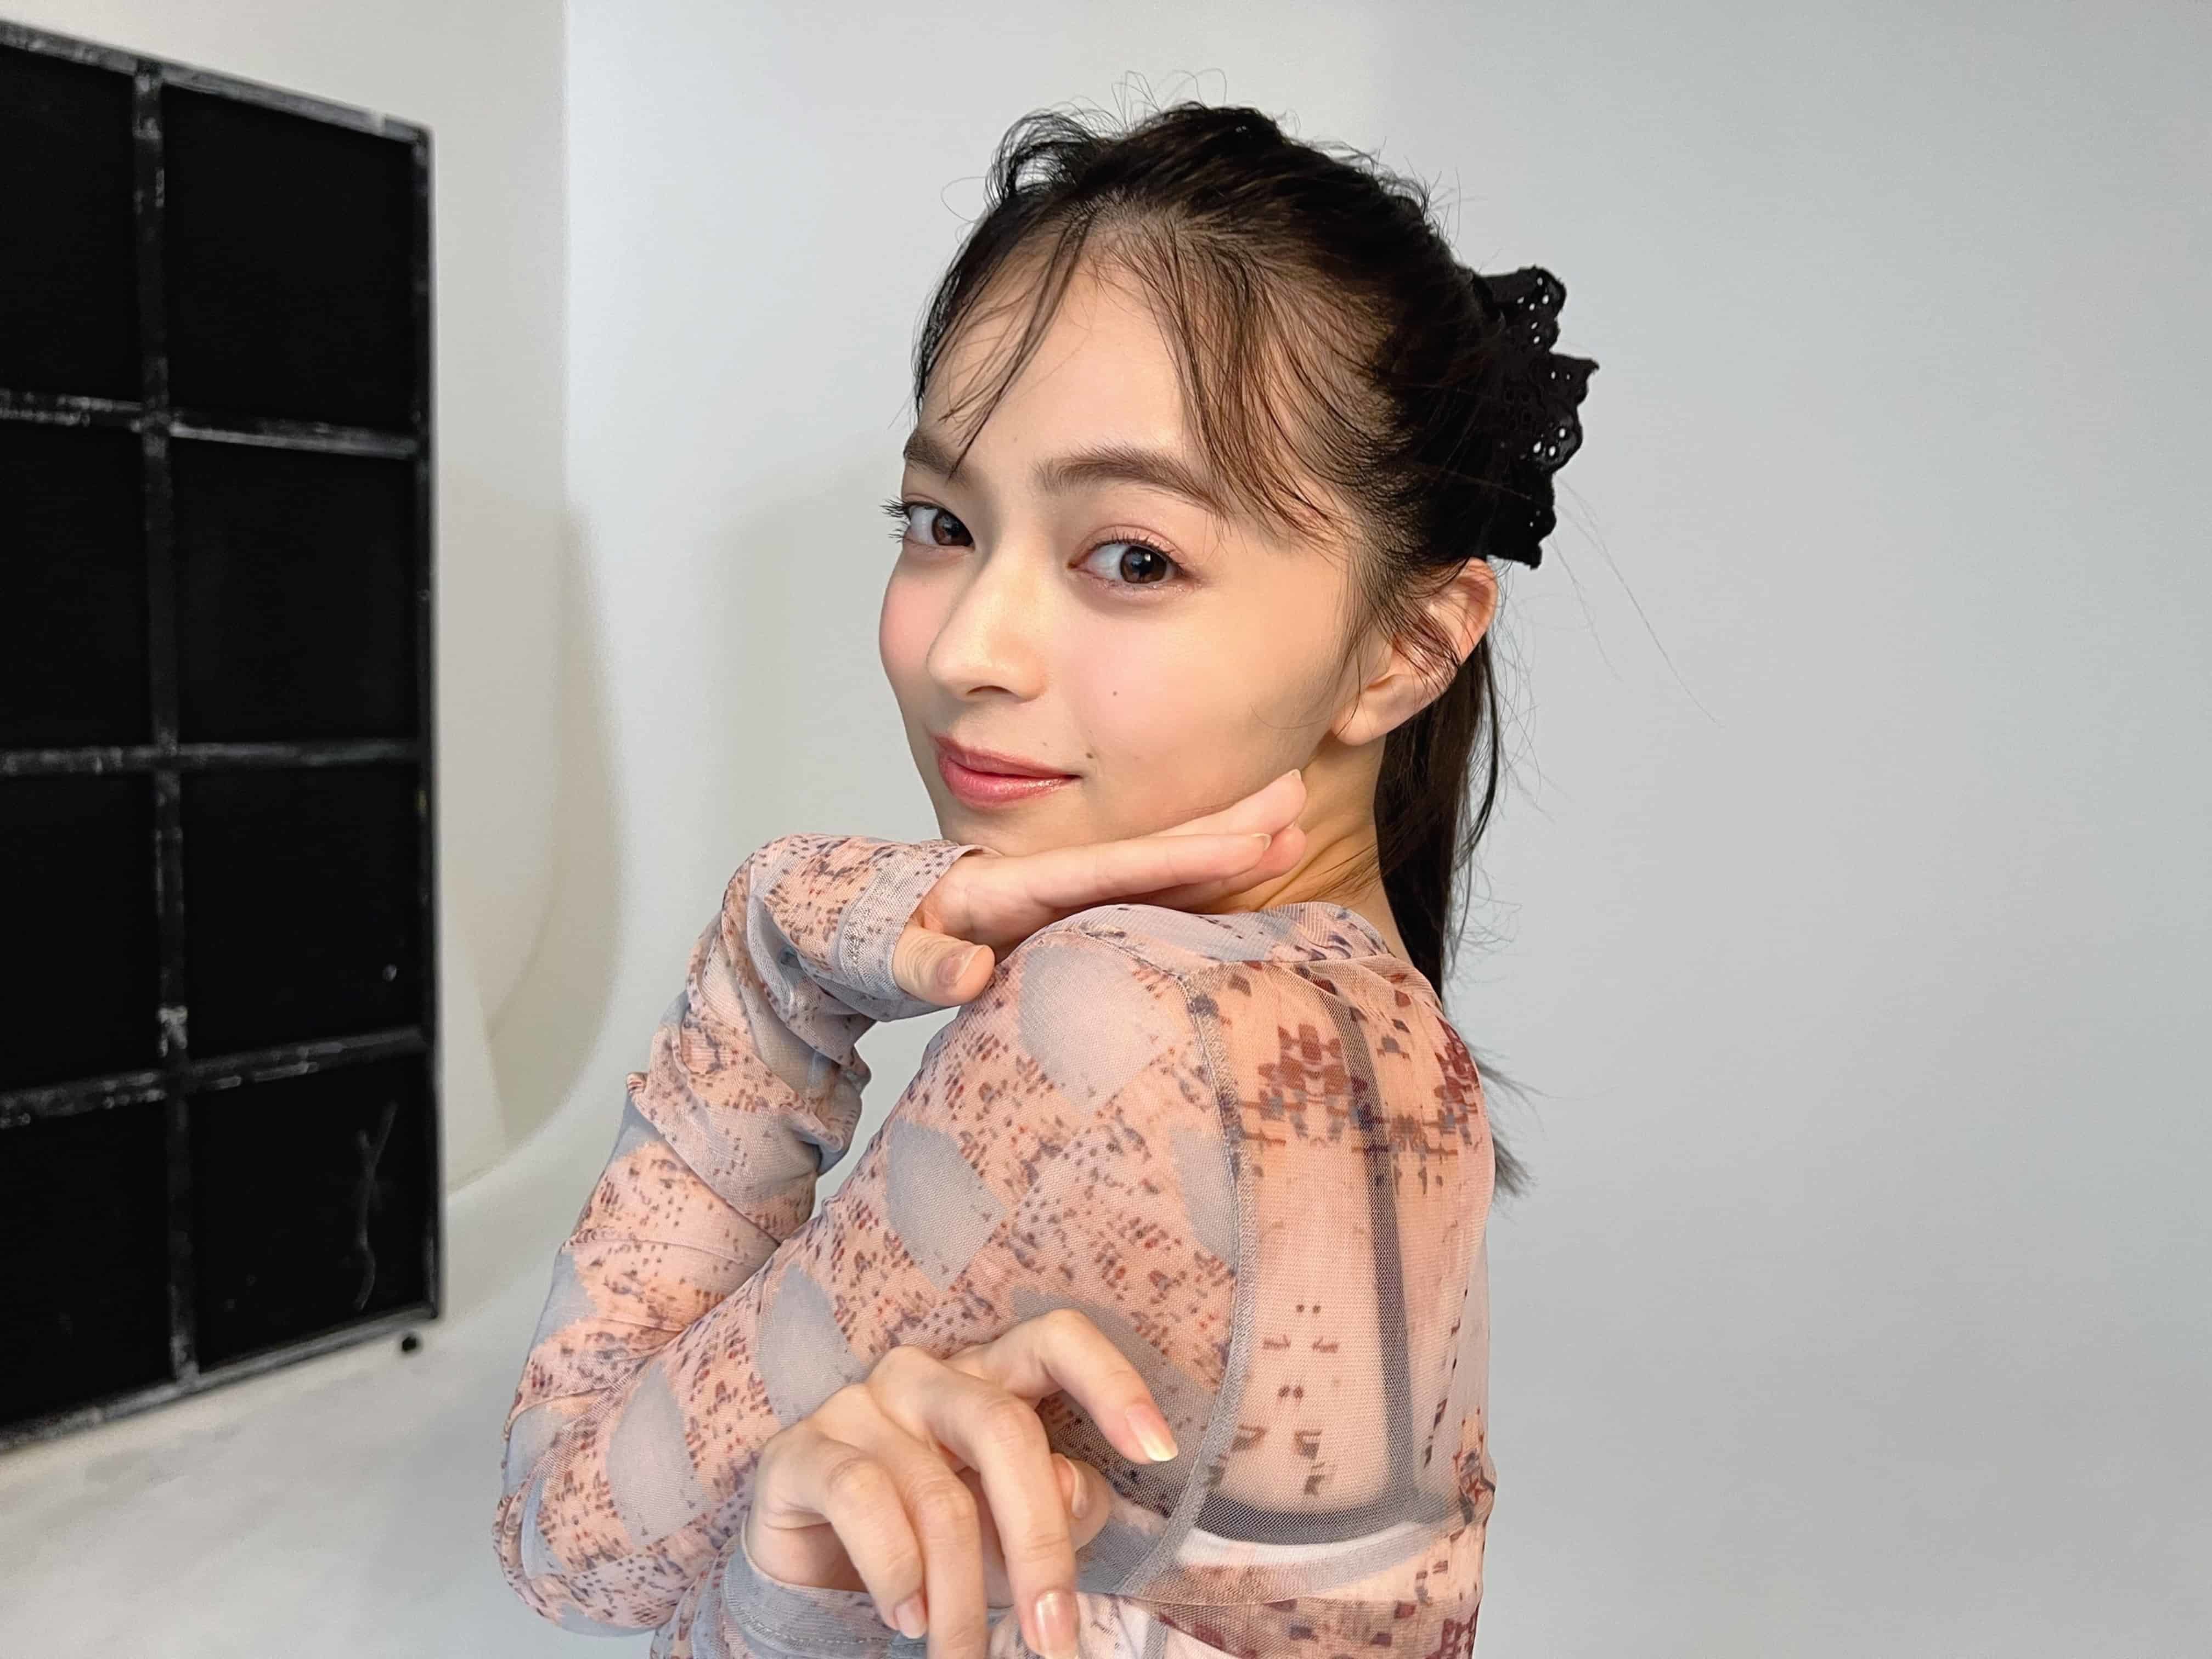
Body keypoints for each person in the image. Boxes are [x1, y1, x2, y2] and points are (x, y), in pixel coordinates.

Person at [493, 97, 1595, 1659]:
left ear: (1409, 646)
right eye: (939, 521)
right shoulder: (1389, 1050)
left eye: (1132, 557)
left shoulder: (1116, 1032)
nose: (966, 649)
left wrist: (775, 953)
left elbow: (573, 1541)